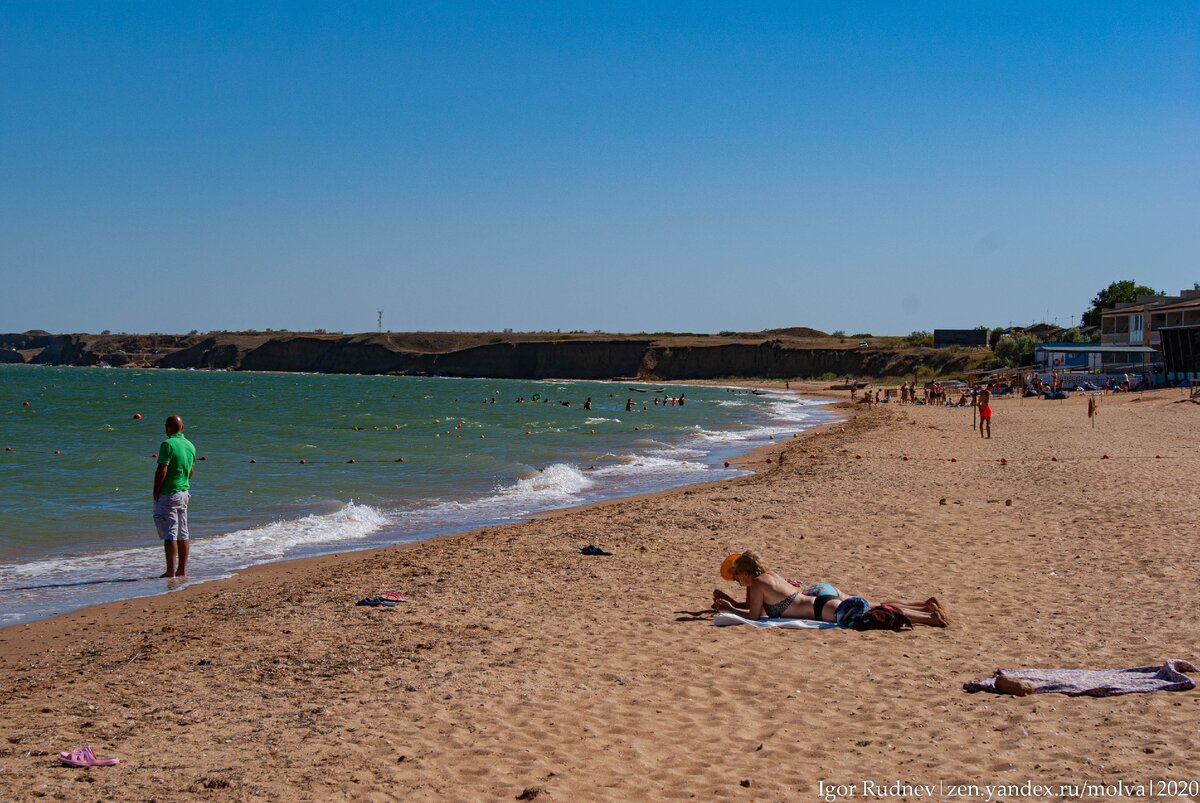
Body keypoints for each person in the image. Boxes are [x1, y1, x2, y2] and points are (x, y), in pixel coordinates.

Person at [711, 551, 950, 627]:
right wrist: (731, 602)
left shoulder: (757, 585)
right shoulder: (769, 576)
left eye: (736, 577)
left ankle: (929, 618)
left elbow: (755, 616)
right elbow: (756, 607)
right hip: (820, 593)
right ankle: (923, 604)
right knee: (874, 603)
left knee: (871, 614)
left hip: (820, 609)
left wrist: (730, 608)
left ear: (744, 572)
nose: (737, 581)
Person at [153, 415, 195, 578]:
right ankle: (181, 570)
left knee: (170, 532)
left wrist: (156, 490)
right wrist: (184, 483)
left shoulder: (167, 444)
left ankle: (170, 571)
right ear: (182, 428)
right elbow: (191, 470)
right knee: (183, 531)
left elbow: (162, 468)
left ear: (168, 427)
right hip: (184, 492)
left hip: (169, 493)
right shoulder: (190, 445)